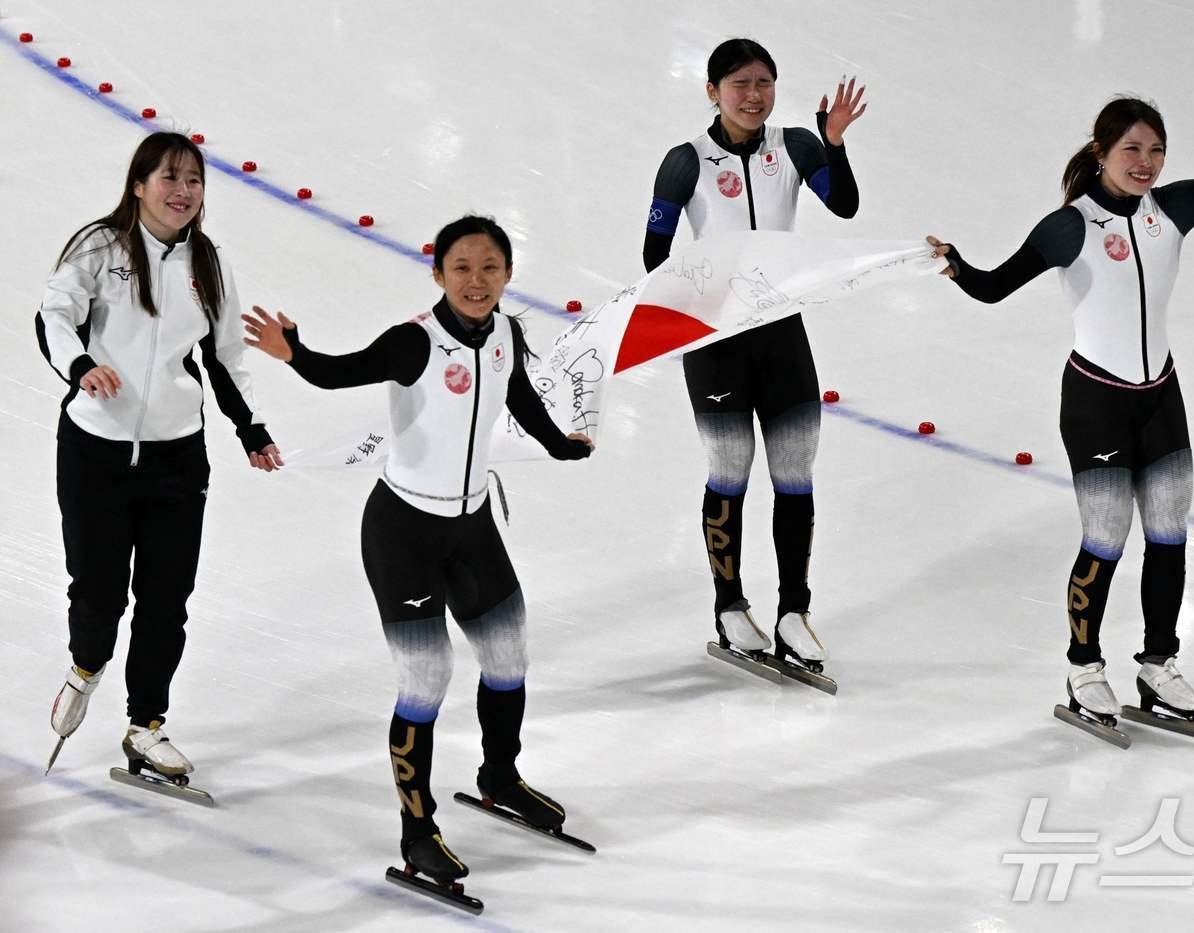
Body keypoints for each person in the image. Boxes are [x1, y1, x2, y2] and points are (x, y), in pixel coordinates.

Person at [242, 215, 593, 884]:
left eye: (490, 266)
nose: (477, 280)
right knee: (427, 678)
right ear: (437, 274)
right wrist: (296, 352)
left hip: (472, 524)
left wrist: (557, 444)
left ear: (509, 274)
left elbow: (517, 392)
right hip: (403, 531)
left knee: (508, 654)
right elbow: (339, 373)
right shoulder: (414, 343)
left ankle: (500, 775)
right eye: (461, 267)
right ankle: (418, 830)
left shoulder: (507, 336)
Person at [925, 77, 1194, 730]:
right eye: (1132, 149)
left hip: (1161, 399)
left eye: (1155, 150)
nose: (1144, 163)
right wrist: (956, 265)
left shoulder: (1170, 209)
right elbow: (995, 288)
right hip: (1096, 404)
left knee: (1169, 534)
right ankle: (1084, 665)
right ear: (1102, 149)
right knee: (1107, 537)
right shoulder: (1070, 227)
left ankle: (1158, 663)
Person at [37, 132, 281, 780]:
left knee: (166, 597)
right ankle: (85, 667)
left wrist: (249, 428)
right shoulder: (100, 246)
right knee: (100, 591)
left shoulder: (207, 262)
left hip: (177, 456)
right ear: (139, 184)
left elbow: (224, 356)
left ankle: (146, 726)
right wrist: (81, 364)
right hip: (97, 451)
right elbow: (54, 316)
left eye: (194, 180)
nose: (182, 191)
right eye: (169, 178)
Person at [643, 38, 865, 672]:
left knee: (795, 472)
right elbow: (654, 255)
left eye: (764, 82)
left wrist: (835, 144)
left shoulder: (794, 146)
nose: (753, 94)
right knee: (732, 470)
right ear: (712, 91)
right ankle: (729, 603)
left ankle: (794, 609)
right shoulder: (685, 162)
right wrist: (697, 303)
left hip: (781, 335)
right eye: (739, 83)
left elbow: (844, 206)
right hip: (715, 343)